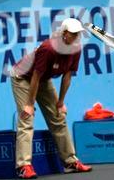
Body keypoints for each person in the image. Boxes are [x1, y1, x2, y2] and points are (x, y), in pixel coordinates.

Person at [10, 18, 92, 179]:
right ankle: (23, 166)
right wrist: (29, 104)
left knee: (58, 117)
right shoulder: (48, 48)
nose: (76, 37)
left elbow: (67, 76)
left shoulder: (76, 49)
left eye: (79, 34)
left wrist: (60, 103)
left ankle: (70, 162)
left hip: (43, 79)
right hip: (22, 77)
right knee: (27, 119)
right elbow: (35, 75)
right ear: (64, 34)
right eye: (73, 34)